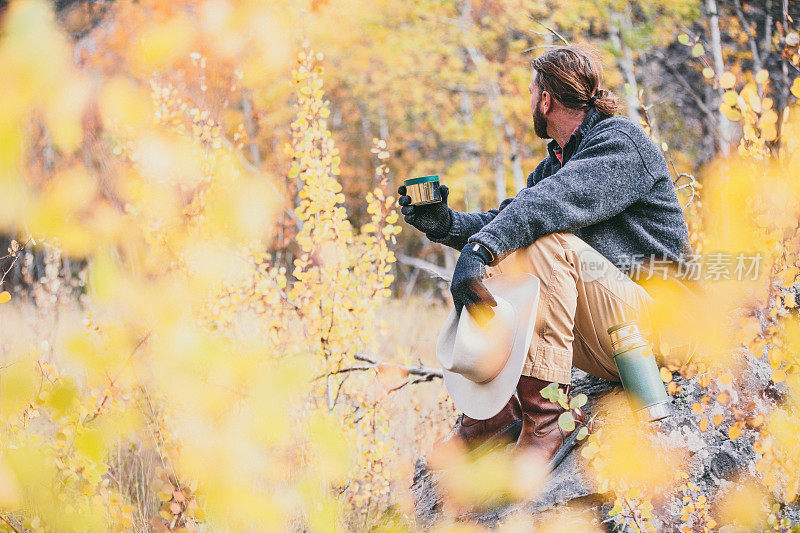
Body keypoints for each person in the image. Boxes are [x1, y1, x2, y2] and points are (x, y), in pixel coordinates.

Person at [397, 45, 691, 467]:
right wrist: (445, 224)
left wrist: (482, 248)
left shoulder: (621, 142)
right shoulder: (555, 164)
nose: (529, 101)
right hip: (615, 340)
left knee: (541, 240)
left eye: (530, 92)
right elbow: (510, 216)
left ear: (545, 99)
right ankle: (493, 414)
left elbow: (549, 205)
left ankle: (546, 419)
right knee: (515, 240)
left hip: (664, 328)